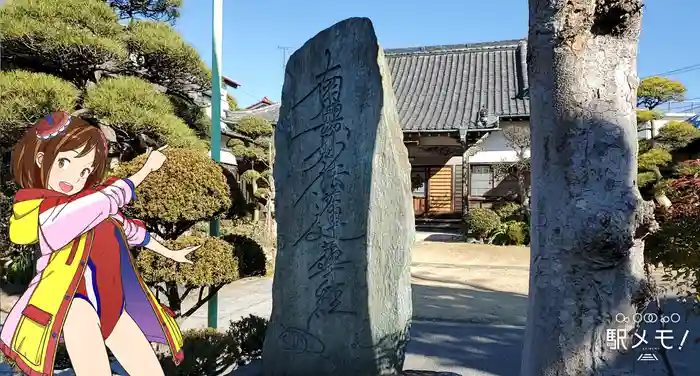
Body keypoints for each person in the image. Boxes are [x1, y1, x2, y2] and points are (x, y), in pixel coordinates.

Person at [0, 112, 194, 376]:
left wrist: (172, 252)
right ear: (42, 159)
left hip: (110, 300)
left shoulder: (92, 205)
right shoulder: (46, 212)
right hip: (74, 303)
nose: (74, 178)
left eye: (84, 171)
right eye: (65, 161)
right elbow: (104, 201)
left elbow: (131, 232)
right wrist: (146, 170)